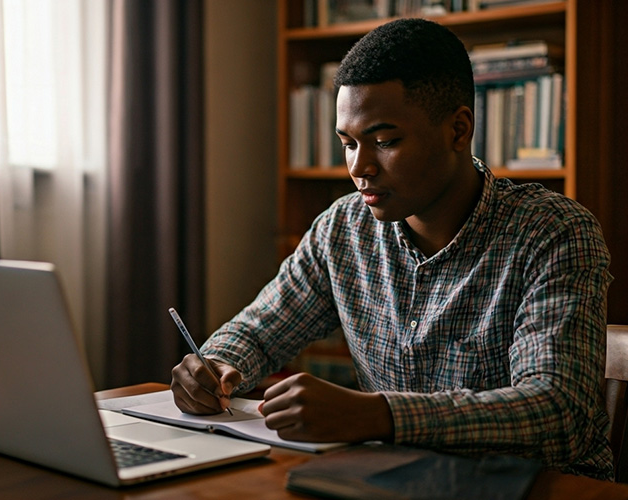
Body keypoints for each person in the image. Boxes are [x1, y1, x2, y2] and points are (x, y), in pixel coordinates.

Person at [170, 18, 613, 480]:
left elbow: (557, 410)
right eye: (348, 144)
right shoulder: (344, 228)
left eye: (385, 141)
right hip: (398, 483)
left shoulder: (553, 232)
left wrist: (378, 416)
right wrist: (216, 363)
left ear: (458, 131)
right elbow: (259, 331)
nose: (360, 167)